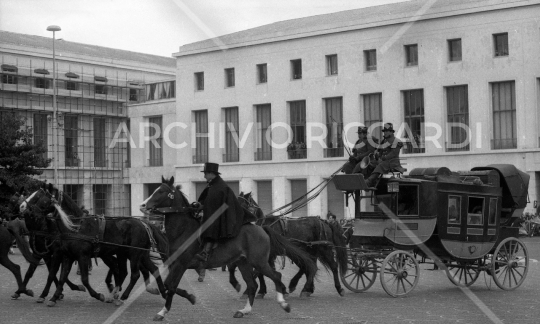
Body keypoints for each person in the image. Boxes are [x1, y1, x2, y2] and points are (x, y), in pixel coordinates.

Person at [193, 162, 245, 263]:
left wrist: (204, 207)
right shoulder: (212, 185)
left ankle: (206, 252)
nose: (204, 176)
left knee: (211, 226)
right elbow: (208, 202)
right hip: (214, 214)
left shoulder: (220, 187)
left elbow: (216, 206)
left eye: (205, 173)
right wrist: (199, 205)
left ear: (212, 173)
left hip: (222, 217)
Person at [364, 123, 404, 188]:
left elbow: (393, 153)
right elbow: (381, 151)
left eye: (386, 131)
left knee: (381, 165)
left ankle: (369, 181)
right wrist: (377, 155)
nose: (385, 133)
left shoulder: (396, 141)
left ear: (391, 132)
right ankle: (369, 181)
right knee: (370, 164)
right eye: (384, 131)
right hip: (385, 161)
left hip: (393, 162)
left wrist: (383, 158)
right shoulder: (384, 141)